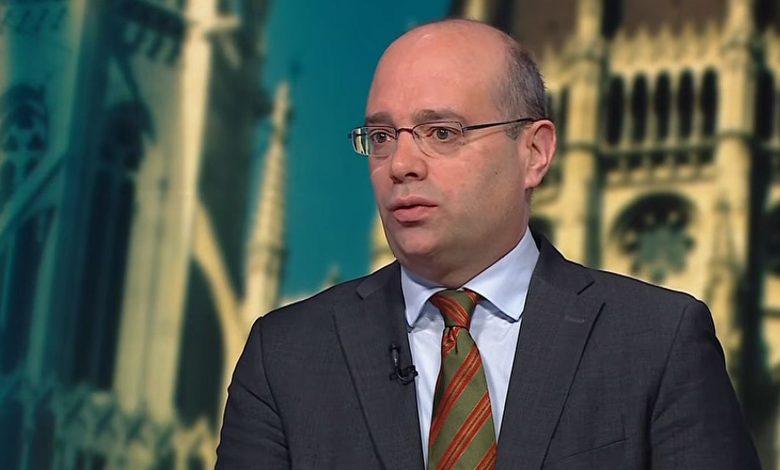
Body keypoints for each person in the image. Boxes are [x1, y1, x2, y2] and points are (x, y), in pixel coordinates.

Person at [216, 19, 760, 469]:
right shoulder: (285, 356)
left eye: (443, 132)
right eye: (381, 137)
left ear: (534, 153)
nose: (401, 164)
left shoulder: (658, 342)